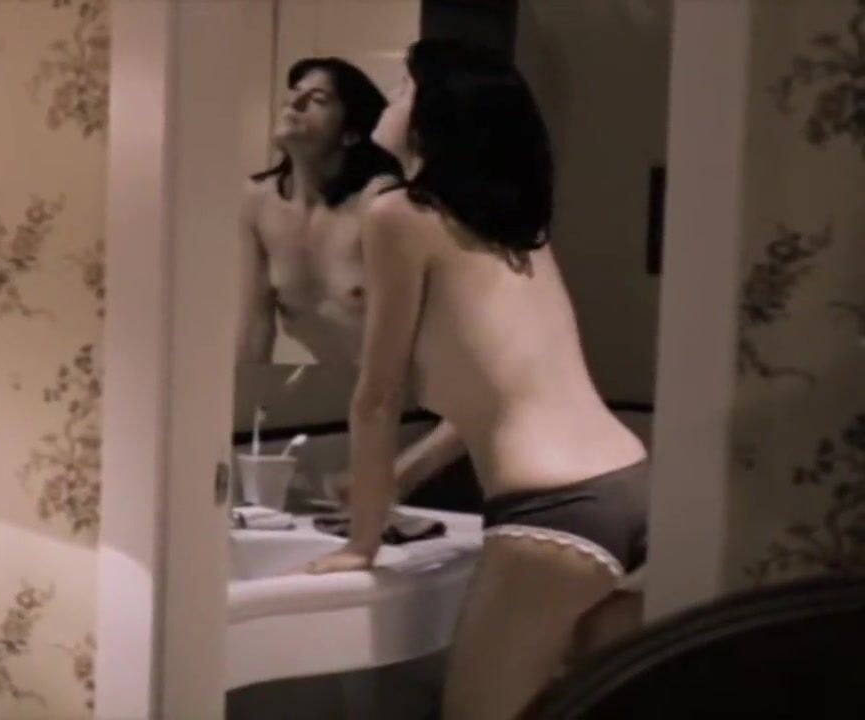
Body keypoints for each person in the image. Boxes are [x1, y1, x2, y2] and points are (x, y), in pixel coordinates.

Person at [301, 40, 650, 720]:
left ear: (434, 116)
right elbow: (497, 396)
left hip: (553, 513)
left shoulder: (399, 216)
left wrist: (362, 543)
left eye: (405, 88)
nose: (392, 98)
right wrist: (396, 478)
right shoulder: (513, 232)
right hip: (625, 484)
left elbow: (377, 396)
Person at [240, 57, 465, 500]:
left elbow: (471, 374)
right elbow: (252, 338)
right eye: (294, 92)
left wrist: (396, 476)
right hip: (350, 419)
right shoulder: (257, 203)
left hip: (431, 429)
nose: (294, 103)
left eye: (318, 98)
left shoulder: (380, 206)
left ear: (350, 133)